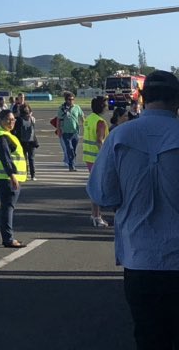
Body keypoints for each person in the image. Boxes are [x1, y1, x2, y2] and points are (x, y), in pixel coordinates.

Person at [87, 70, 179, 350]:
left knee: (149, 336)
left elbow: (104, 194)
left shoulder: (120, 136)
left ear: (142, 96)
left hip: (140, 257)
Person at [0, 108, 27, 248]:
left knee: (7, 207)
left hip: (4, 177)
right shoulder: (2, 136)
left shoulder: (6, 134)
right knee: (8, 208)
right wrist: (12, 175)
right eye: (8, 120)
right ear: (0, 121)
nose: (11, 122)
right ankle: (9, 239)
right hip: (5, 178)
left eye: (13, 119)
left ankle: (8, 237)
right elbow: (5, 158)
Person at [82, 95, 109, 227]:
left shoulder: (89, 119)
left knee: (95, 186)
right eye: (106, 104)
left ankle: (95, 214)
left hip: (88, 157)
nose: (108, 106)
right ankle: (96, 215)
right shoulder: (100, 122)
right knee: (97, 187)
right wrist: (105, 154)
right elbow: (100, 140)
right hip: (97, 158)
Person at [58, 91, 85, 171]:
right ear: (66, 100)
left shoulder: (77, 107)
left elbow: (82, 117)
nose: (71, 101)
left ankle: (72, 162)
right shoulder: (62, 108)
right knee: (70, 149)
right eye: (69, 99)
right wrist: (59, 129)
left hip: (75, 132)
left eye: (73, 99)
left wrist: (85, 125)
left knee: (74, 149)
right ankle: (71, 166)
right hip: (66, 132)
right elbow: (58, 120)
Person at [13, 104, 38, 180]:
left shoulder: (19, 120)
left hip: (25, 141)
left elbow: (15, 131)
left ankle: (27, 174)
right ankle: (32, 175)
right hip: (29, 141)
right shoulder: (31, 119)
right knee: (30, 159)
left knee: (26, 159)